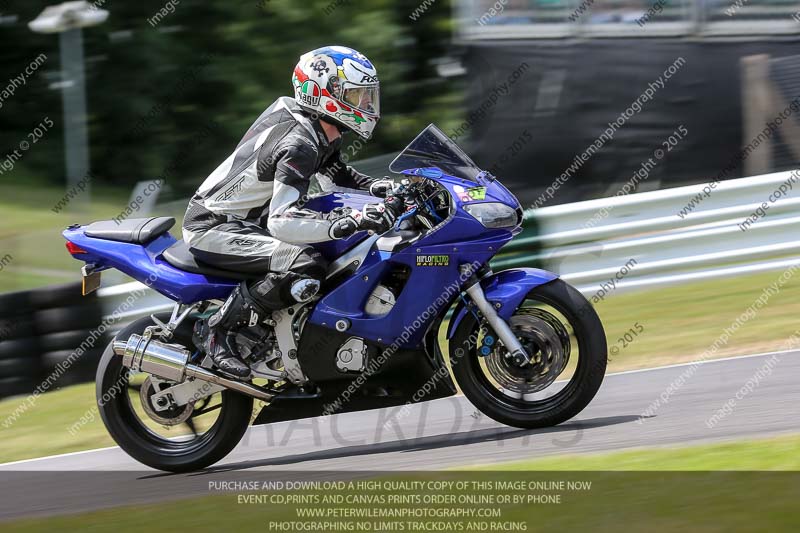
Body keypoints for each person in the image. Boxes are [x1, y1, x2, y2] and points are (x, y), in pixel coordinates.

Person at [182, 46, 401, 378]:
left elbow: (335, 173)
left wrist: (378, 187)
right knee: (304, 262)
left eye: (367, 96)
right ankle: (218, 331)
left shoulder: (319, 130)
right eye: (355, 95)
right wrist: (349, 221)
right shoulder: (299, 143)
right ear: (322, 93)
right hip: (215, 226)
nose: (365, 105)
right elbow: (282, 220)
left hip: (245, 224)